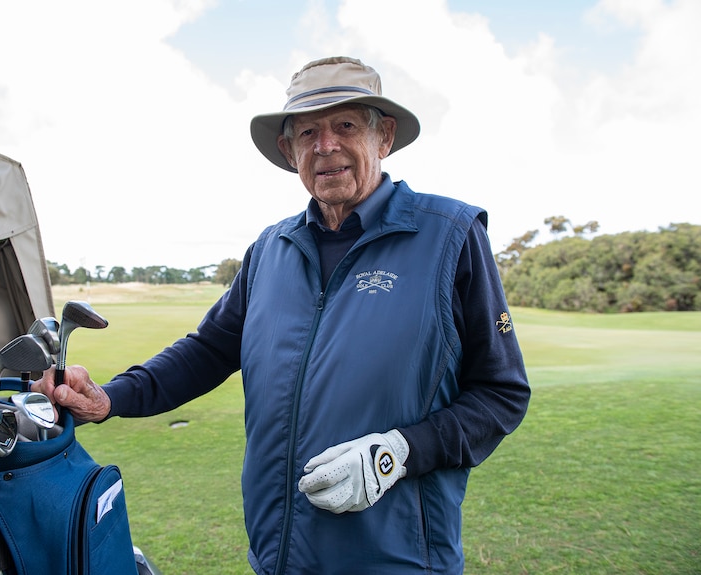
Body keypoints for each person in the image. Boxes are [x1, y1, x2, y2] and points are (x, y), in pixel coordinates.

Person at [34, 56, 530, 574]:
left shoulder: (449, 234)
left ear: (383, 138)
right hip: (279, 555)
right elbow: (208, 350)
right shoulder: (272, 249)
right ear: (288, 150)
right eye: (308, 131)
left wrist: (400, 452)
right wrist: (111, 397)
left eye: (345, 125)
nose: (325, 145)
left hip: (398, 560)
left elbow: (501, 394)